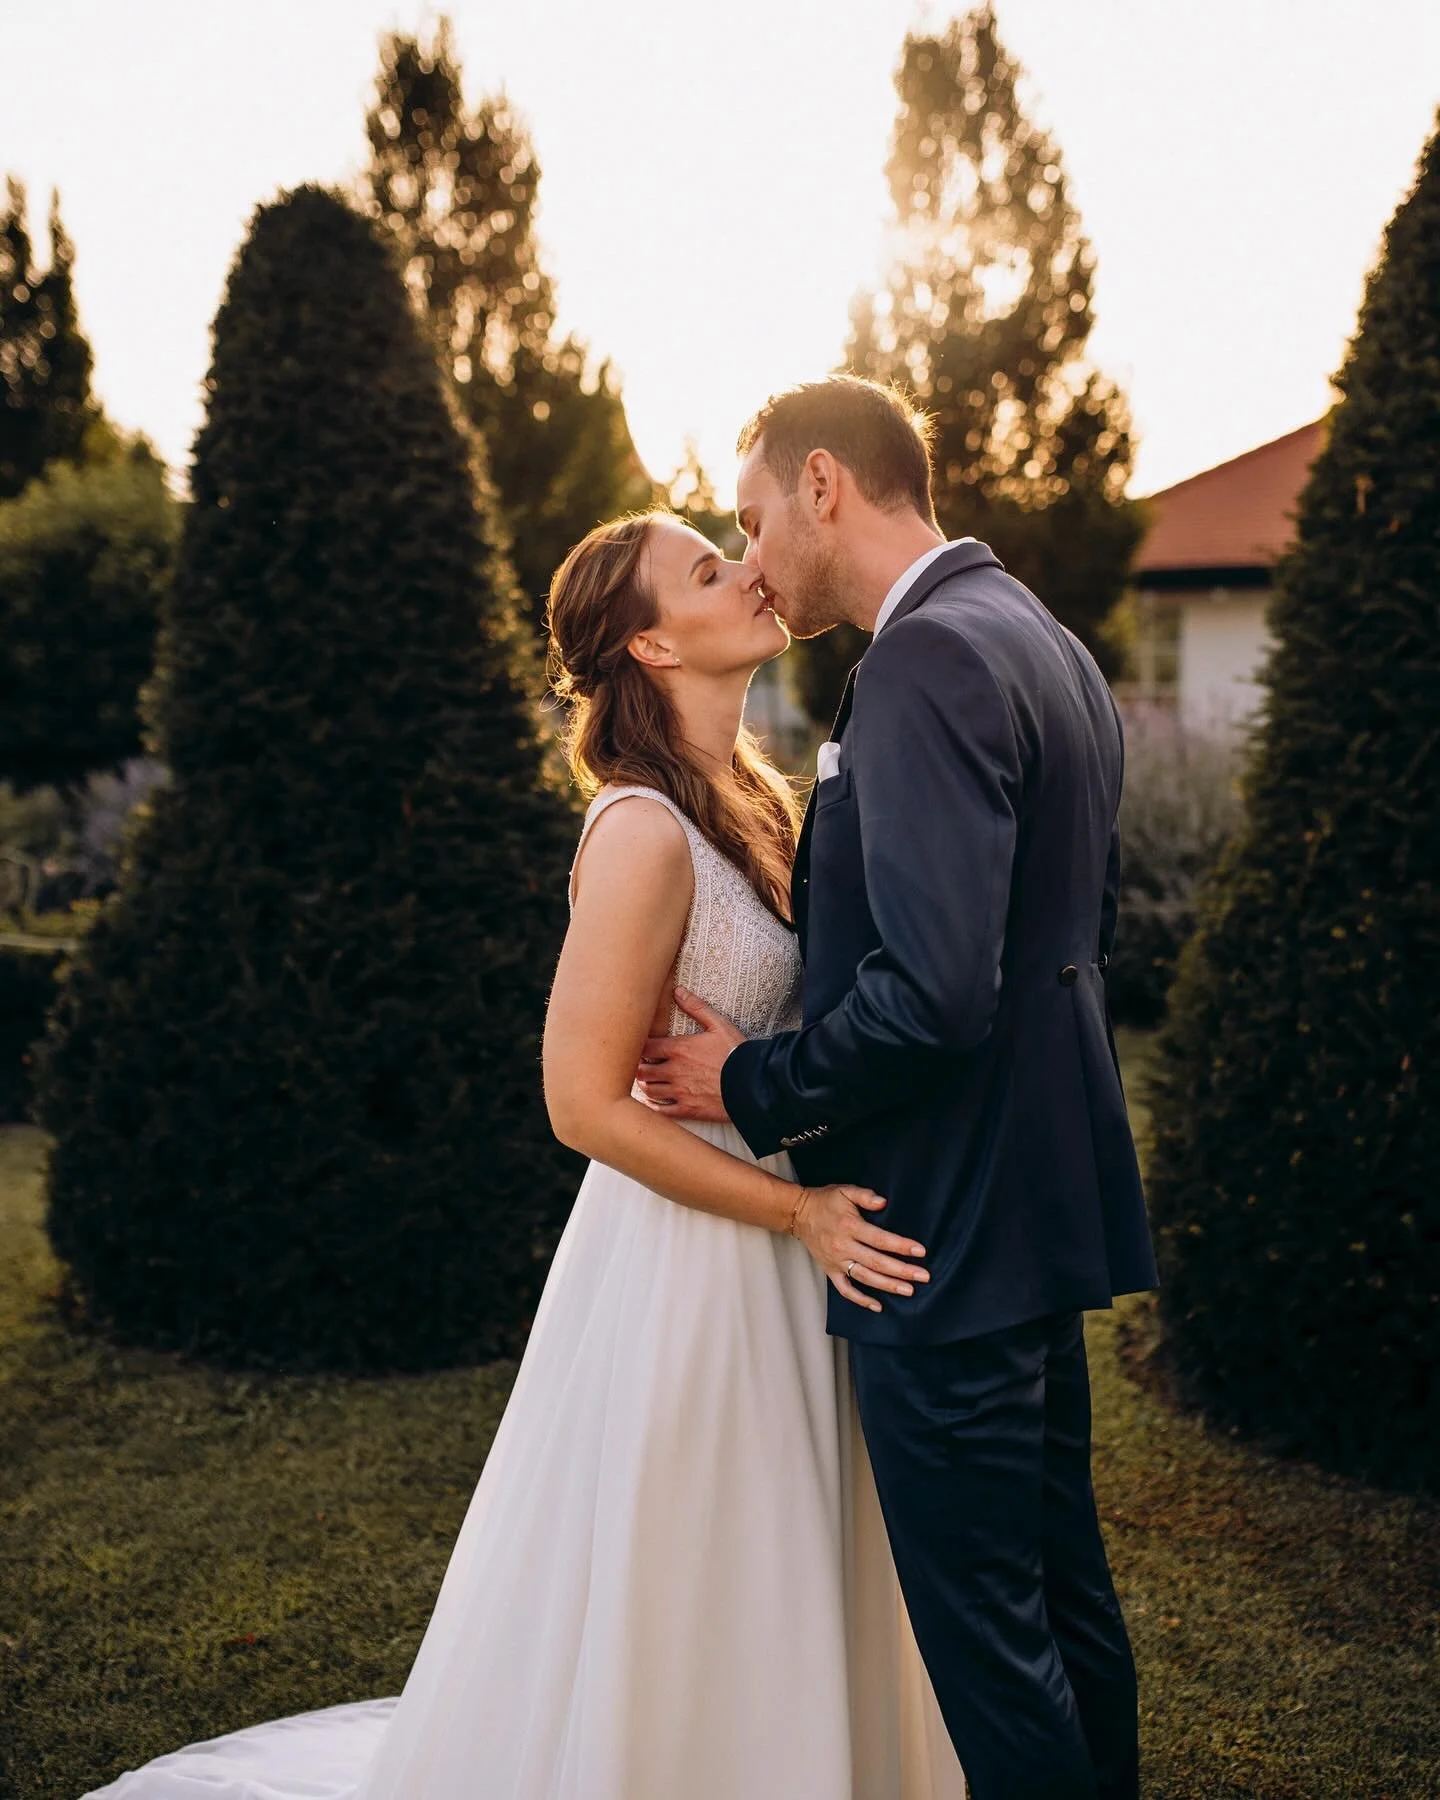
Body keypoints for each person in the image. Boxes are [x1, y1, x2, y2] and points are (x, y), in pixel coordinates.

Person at [83, 506, 966, 1799]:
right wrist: (795, 1217)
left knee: (790, 1556)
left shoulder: (757, 804)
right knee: (703, 1561)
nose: (753, 575)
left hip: (786, 1222)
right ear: (655, 647)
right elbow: (582, 1105)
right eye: (712, 572)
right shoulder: (642, 830)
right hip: (700, 1261)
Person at [635, 376, 1158, 1800]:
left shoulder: (924, 659)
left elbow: (934, 992)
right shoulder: (1033, 633)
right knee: (1063, 1601)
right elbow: (1067, 937)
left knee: (994, 1645)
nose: (749, 560)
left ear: (824, 487)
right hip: (1043, 1200)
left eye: (751, 521)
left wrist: (753, 1082)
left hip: (941, 1223)